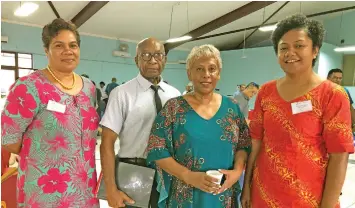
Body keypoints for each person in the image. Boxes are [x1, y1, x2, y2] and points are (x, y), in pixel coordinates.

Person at [241, 14, 354, 208]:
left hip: (310, 198)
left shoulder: (332, 95)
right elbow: (256, 141)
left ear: (315, 50)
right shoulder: (266, 92)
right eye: (283, 47)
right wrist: (247, 187)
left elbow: (339, 155)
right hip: (264, 193)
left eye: (299, 46)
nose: (290, 52)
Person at [1, 18, 99, 207]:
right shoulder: (28, 87)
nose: (68, 51)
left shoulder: (89, 88)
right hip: (44, 189)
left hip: (84, 187)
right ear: (46, 50)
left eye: (73, 45)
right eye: (59, 45)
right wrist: (46, 153)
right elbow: (10, 141)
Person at [146, 44, 251, 208]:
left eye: (212, 69)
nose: (206, 75)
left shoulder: (232, 108)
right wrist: (188, 175)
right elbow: (156, 149)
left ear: (219, 73)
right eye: (199, 69)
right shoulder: (174, 109)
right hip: (185, 197)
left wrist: (237, 172)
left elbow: (243, 145)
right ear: (189, 73)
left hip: (222, 195)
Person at [100, 37, 181, 208]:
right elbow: (106, 143)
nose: (152, 60)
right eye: (145, 55)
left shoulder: (175, 95)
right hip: (133, 171)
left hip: (167, 172)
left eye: (158, 55)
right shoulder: (121, 94)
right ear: (136, 60)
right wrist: (111, 189)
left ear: (164, 59)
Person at [327, 68, 355, 132]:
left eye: (340, 78)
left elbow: (350, 107)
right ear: (328, 78)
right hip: (326, 124)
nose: (338, 80)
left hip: (342, 125)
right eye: (335, 78)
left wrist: (354, 123)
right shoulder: (322, 90)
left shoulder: (345, 90)